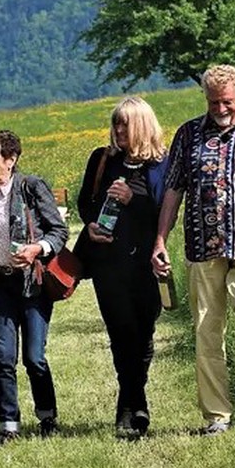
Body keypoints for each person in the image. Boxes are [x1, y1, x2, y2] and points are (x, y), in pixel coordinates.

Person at [151, 64, 235, 435]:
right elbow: (174, 189)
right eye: (213, 102)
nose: (220, 108)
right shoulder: (188, 135)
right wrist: (161, 240)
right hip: (203, 247)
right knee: (207, 331)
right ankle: (217, 416)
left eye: (226, 101)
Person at [0, 129, 68, 445]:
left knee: (34, 358)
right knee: (3, 357)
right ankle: (9, 423)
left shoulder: (32, 188)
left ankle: (47, 416)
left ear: (11, 159)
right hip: (0, 285)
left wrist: (38, 249)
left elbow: (59, 231)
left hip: (33, 285)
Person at [77, 97, 168, 440]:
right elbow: (85, 201)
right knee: (121, 332)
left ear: (142, 125)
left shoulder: (161, 165)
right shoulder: (102, 159)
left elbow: (164, 214)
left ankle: (133, 396)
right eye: (115, 123)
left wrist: (134, 200)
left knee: (144, 332)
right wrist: (90, 225)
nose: (118, 130)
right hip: (108, 263)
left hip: (145, 263)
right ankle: (131, 405)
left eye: (124, 124)